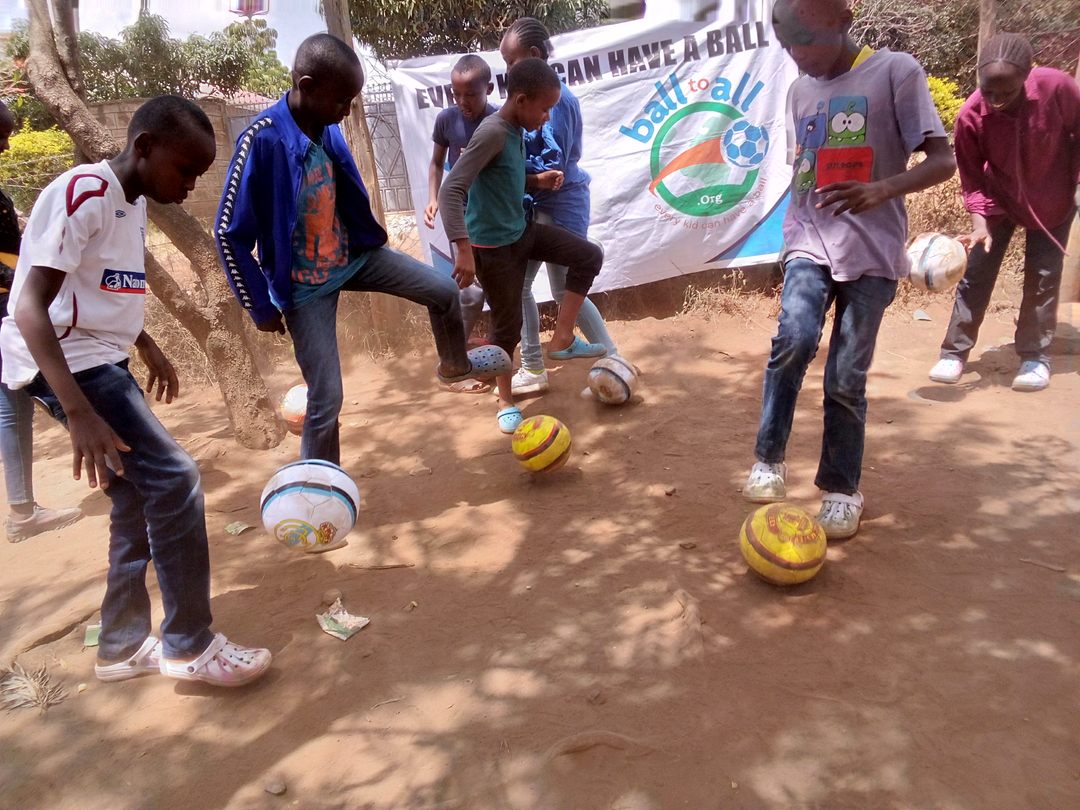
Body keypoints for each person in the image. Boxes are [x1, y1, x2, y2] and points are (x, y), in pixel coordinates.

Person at [0, 96, 271, 686]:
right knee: (175, 479)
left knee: (134, 497)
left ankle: (120, 646)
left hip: (100, 356)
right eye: (186, 170)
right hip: (68, 363)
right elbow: (28, 308)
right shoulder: (85, 194)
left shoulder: (133, 199)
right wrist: (78, 412)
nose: (191, 185)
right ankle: (189, 645)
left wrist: (146, 345)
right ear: (144, 147)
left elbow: (98, 284)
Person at [216, 34, 508, 463]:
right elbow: (228, 233)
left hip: (354, 258)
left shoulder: (328, 129)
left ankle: (454, 367)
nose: (347, 110)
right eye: (342, 100)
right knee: (326, 398)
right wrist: (259, 306)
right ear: (307, 86)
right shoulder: (260, 140)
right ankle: (319, 486)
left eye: (352, 100)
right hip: (304, 287)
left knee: (446, 291)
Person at [742, 0, 956, 540]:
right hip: (809, 240)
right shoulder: (799, 91)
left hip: (873, 251)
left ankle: (841, 489)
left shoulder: (895, 72)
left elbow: (942, 160)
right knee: (793, 340)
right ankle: (768, 459)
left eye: (805, 39)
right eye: (787, 44)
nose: (797, 54)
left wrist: (881, 189)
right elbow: (804, 168)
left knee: (845, 377)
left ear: (842, 22)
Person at [439, 58, 603, 433]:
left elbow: (503, 176)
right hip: (491, 249)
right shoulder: (493, 132)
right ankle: (505, 400)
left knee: (588, 256)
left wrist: (536, 182)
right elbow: (452, 190)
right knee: (507, 328)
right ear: (522, 100)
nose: (547, 117)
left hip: (521, 231)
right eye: (544, 109)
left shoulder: (513, 129)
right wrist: (463, 248)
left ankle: (562, 339)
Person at [929, 33, 1080, 392]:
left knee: (1043, 276)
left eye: (1006, 92)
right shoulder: (970, 115)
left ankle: (1034, 357)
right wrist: (979, 225)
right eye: (988, 91)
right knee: (976, 273)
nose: (995, 101)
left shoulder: (1057, 88)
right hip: (998, 199)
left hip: (1051, 198)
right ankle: (954, 352)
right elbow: (971, 179)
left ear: (1027, 76)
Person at [500, 17, 618, 397]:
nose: (507, 71)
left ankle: (605, 362)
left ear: (534, 55)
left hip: (559, 205)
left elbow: (555, 165)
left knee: (555, 287)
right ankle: (597, 361)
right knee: (545, 287)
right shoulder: (540, 98)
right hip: (542, 205)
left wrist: (512, 170)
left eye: (512, 61)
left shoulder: (558, 100)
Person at [0, 102, 82, 542]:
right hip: (10, 312)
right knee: (57, 388)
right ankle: (132, 471)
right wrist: (28, 278)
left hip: (10, 306)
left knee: (11, 407)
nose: (6, 145)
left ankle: (22, 511)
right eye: (0, 135)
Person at [424, 53, 498, 391]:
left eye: (471, 94)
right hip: (461, 215)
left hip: (492, 215)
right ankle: (454, 363)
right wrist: (433, 197)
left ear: (489, 89)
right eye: (457, 94)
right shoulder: (446, 120)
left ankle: (501, 360)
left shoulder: (498, 120)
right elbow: (436, 162)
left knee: (503, 292)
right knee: (468, 292)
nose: (463, 102)